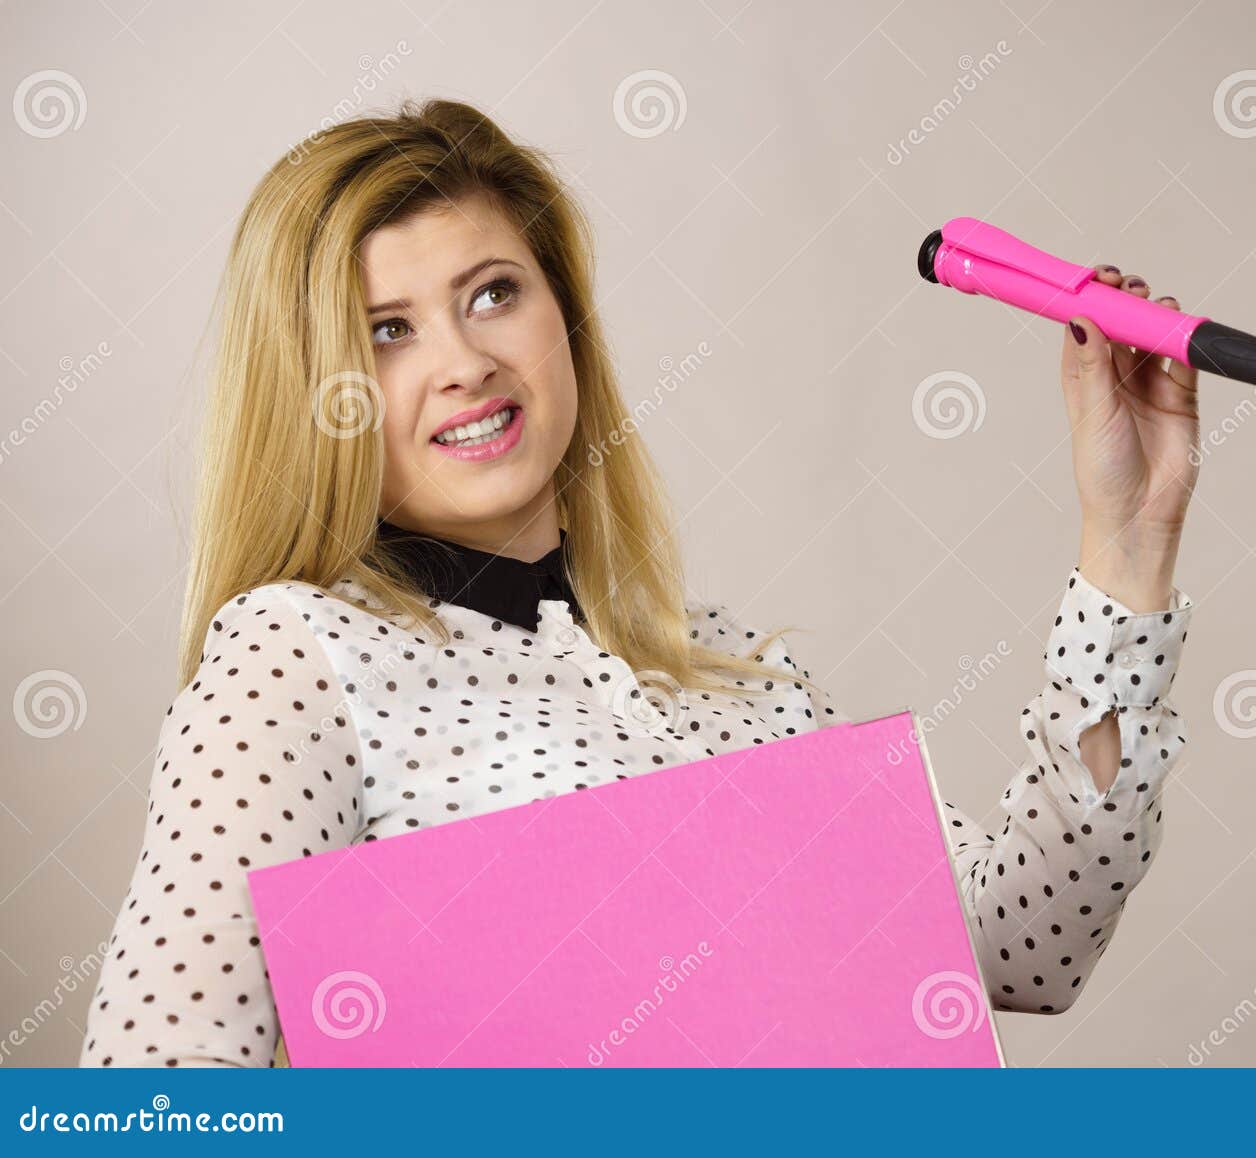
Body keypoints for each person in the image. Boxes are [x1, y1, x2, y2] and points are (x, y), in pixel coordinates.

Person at [79, 99, 1197, 1067]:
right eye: (384, 331)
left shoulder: (738, 678)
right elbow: (163, 1087)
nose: (463, 361)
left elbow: (1019, 940)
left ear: (563, 317)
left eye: (491, 293)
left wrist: (1127, 544)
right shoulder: (298, 656)